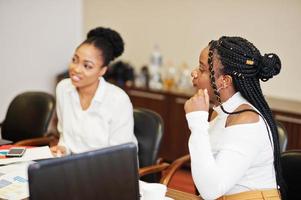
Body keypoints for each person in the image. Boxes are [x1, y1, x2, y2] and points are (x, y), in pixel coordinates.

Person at [184, 36, 285, 200]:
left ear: (224, 81)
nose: (194, 73)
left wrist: (197, 123)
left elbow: (211, 190)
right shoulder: (221, 112)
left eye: (202, 69)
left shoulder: (247, 121)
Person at [51, 27, 137, 156]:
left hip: (109, 170)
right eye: (75, 60)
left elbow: (120, 156)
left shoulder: (118, 100)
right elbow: (65, 137)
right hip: (73, 166)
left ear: (102, 71)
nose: (76, 69)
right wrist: (63, 149)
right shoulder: (63, 89)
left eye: (87, 66)